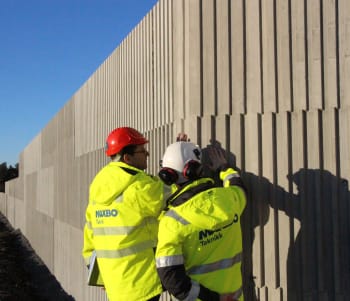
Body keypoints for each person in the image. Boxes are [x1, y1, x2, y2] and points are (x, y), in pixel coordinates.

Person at [82, 127, 171, 301]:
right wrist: (175, 161)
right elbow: (175, 194)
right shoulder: (138, 187)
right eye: (142, 150)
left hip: (115, 287)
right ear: (127, 157)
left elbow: (89, 241)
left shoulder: (97, 189)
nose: (147, 153)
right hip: (141, 285)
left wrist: (101, 277)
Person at [155, 141, 247, 301]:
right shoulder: (228, 199)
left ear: (169, 176)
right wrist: (224, 168)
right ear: (196, 169)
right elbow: (239, 188)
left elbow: (171, 278)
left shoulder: (171, 223)